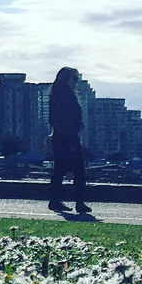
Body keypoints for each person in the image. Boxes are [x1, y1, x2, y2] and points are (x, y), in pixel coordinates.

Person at [48, 66, 89, 216]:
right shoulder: (66, 97)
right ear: (67, 80)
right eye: (75, 78)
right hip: (68, 136)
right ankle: (79, 202)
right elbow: (65, 119)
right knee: (78, 168)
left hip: (61, 136)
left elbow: (54, 120)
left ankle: (56, 199)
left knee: (60, 169)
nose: (77, 82)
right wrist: (73, 132)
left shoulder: (55, 96)